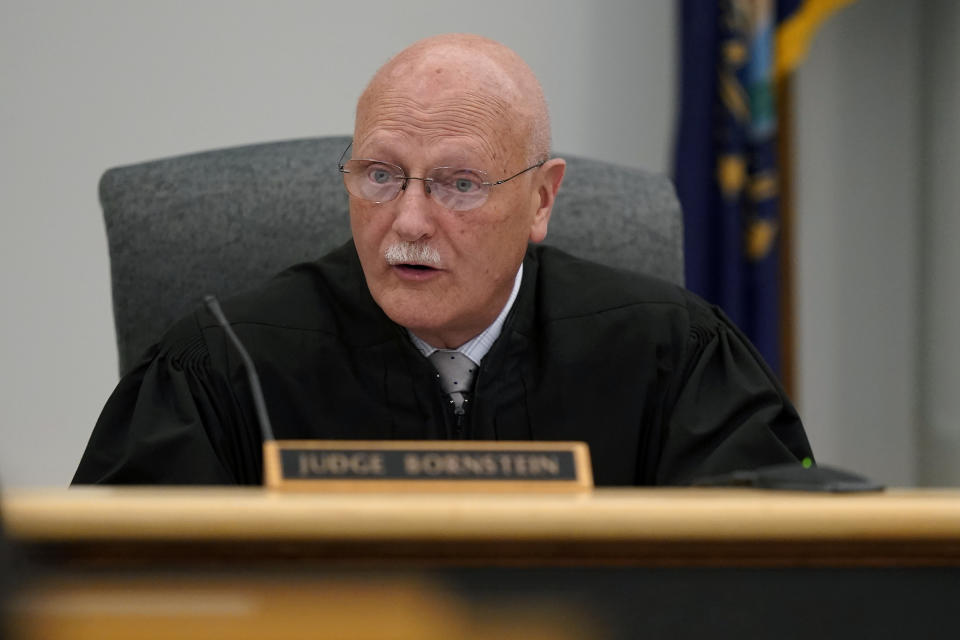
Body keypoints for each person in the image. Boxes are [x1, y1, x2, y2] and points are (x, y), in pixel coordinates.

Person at [73, 34, 812, 487]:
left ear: (542, 201)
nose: (410, 221)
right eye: (380, 176)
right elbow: (124, 591)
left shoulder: (674, 359)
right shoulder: (222, 367)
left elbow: (767, 579)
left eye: (460, 184)